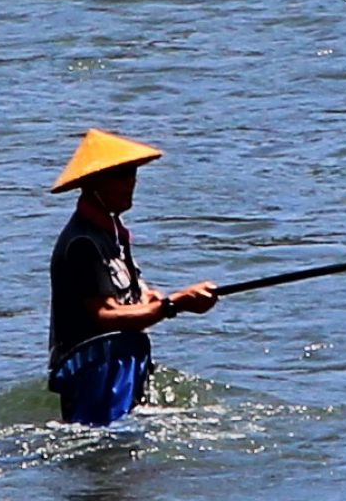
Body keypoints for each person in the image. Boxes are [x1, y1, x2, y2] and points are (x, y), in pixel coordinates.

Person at [46, 129, 218, 425]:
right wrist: (174, 304)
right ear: (93, 182)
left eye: (133, 173)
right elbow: (106, 314)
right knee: (104, 453)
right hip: (94, 371)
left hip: (120, 365)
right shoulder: (83, 243)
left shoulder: (112, 233)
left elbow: (131, 296)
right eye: (121, 175)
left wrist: (152, 298)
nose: (131, 183)